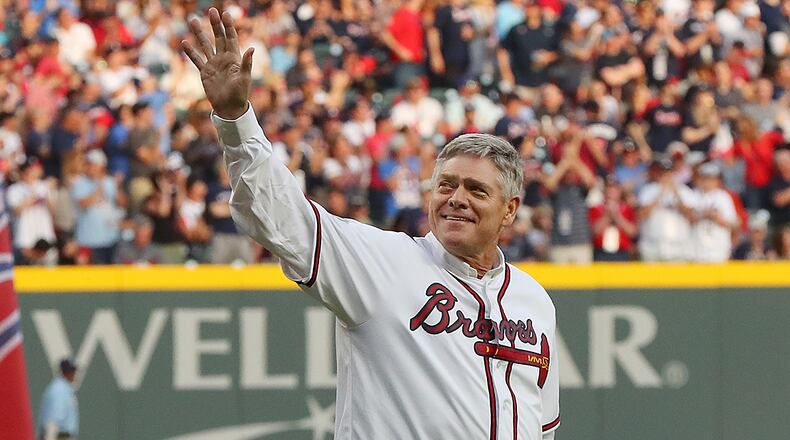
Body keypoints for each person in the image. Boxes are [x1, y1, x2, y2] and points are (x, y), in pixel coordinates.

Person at [182, 8, 559, 439]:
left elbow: (542, 427)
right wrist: (236, 121)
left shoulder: (534, 302)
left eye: (476, 190)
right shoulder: (384, 262)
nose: (456, 199)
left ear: (509, 210)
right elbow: (280, 216)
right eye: (446, 185)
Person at [37, 359, 79, 440]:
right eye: (70, 371)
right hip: (59, 437)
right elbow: (52, 421)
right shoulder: (58, 390)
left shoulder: (65, 388)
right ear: (63, 372)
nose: (73, 374)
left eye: (73, 371)